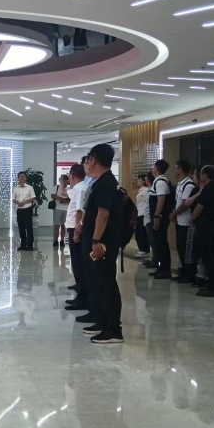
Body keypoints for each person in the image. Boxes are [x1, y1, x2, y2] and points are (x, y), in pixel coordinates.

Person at [78, 143, 124, 344]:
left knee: (107, 283)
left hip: (102, 244)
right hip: (96, 242)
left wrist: (96, 240)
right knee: (99, 282)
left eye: (88, 160)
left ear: (94, 160)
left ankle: (114, 330)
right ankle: (102, 321)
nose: (86, 164)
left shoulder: (106, 183)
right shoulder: (101, 181)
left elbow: (103, 215)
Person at [192, 165, 214, 297]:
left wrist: (193, 218)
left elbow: (199, 207)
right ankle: (211, 284)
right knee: (208, 255)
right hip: (211, 224)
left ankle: (213, 287)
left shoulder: (210, 188)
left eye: (201, 173)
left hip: (207, 225)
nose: (200, 175)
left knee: (208, 255)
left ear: (205, 175)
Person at [64, 164, 89, 310]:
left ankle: (82, 297)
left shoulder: (80, 189)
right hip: (76, 228)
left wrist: (76, 232)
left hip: (76, 228)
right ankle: (81, 291)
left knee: (78, 263)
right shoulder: (82, 187)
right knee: (78, 263)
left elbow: (79, 211)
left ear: (72, 175)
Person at [169, 160, 197, 283]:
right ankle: (184, 271)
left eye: (175, 168)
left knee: (186, 250)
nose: (174, 171)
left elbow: (185, 204)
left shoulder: (188, 185)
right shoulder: (180, 184)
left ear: (181, 170)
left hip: (186, 222)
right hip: (179, 221)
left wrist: (174, 213)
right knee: (180, 248)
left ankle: (190, 274)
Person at [148, 160, 172, 279]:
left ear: (156, 169)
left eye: (153, 167)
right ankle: (161, 268)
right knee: (158, 243)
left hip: (160, 218)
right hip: (158, 217)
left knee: (161, 243)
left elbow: (161, 200)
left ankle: (165, 270)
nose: (152, 169)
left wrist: (157, 216)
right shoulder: (158, 181)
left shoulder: (161, 182)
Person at [12, 171, 36, 251]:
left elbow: (33, 197)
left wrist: (24, 202)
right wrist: (17, 202)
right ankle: (23, 244)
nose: (22, 177)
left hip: (27, 209)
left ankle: (30, 245)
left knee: (29, 227)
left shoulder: (30, 188)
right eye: (20, 176)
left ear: (26, 178)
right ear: (18, 178)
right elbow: (13, 199)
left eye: (23, 176)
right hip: (20, 210)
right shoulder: (15, 188)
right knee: (21, 228)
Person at [51, 174, 70, 247]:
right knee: (56, 225)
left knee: (64, 226)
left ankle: (62, 240)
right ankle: (55, 240)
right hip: (58, 208)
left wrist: (66, 200)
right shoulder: (56, 187)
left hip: (66, 209)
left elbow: (71, 198)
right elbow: (52, 195)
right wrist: (60, 199)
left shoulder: (69, 188)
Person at [135, 174, 151, 258]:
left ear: (143, 181)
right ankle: (142, 249)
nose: (137, 181)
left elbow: (149, 202)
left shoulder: (145, 190)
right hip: (139, 213)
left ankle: (144, 250)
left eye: (139, 179)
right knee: (139, 232)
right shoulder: (141, 190)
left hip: (143, 214)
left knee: (141, 233)